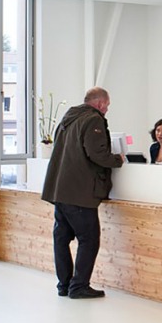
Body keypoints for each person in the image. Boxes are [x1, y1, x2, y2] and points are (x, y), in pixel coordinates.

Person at [41, 87, 125, 299]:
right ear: (100, 103)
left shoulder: (69, 118)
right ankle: (78, 287)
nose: (107, 109)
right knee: (89, 239)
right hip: (80, 192)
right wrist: (118, 159)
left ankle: (65, 284)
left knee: (61, 238)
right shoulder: (93, 120)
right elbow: (97, 154)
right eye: (107, 105)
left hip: (60, 190)